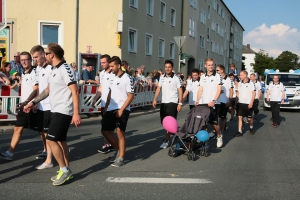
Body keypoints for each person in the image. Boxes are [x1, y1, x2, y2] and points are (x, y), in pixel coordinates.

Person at [24, 43, 81, 186]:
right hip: (56, 110)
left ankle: (64, 169)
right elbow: (47, 90)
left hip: (63, 110)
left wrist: (76, 113)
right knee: (61, 141)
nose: (45, 56)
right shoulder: (54, 70)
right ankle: (66, 168)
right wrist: (32, 102)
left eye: (46, 53)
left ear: (52, 55)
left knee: (50, 140)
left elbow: (74, 91)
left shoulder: (65, 68)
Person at [0, 52, 38, 161]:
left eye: (26, 59)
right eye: (21, 60)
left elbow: (36, 90)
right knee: (17, 128)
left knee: (42, 132)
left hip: (32, 106)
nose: (24, 62)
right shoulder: (24, 73)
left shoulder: (34, 72)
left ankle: (51, 150)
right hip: (24, 106)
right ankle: (9, 153)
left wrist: (31, 103)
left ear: (31, 60)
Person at [101, 56, 134, 167]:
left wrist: (122, 109)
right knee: (105, 130)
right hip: (111, 108)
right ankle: (118, 150)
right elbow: (110, 93)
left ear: (119, 66)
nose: (110, 68)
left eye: (112, 66)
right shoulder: (112, 77)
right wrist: (106, 106)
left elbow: (131, 96)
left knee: (120, 133)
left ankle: (121, 158)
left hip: (122, 108)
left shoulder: (127, 78)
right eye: (109, 66)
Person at [30, 45, 54, 169]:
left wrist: (33, 102)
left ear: (43, 54)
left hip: (50, 106)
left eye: (36, 57)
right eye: (33, 58)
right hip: (41, 106)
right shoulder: (38, 69)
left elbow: (48, 89)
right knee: (43, 132)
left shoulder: (50, 68)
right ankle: (49, 153)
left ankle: (49, 160)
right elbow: (40, 88)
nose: (35, 60)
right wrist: (36, 103)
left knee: (48, 133)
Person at [152, 60, 183, 149]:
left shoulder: (176, 78)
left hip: (172, 102)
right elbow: (159, 88)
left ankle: (167, 140)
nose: (167, 69)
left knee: (169, 122)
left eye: (169, 67)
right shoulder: (162, 77)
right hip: (163, 103)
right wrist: (154, 99)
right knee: (164, 122)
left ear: (172, 68)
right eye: (166, 67)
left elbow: (180, 91)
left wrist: (180, 103)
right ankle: (176, 134)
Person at [195, 58, 223, 148]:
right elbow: (200, 89)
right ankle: (203, 143)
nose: (211, 66)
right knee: (203, 123)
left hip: (214, 103)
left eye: (212, 65)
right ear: (205, 65)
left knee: (214, 123)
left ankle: (219, 136)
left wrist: (214, 100)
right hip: (204, 103)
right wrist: (197, 100)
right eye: (209, 65)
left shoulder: (218, 76)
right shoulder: (202, 77)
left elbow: (219, 90)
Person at [92, 54, 115, 154]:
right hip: (103, 103)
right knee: (106, 126)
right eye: (101, 63)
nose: (102, 64)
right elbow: (101, 87)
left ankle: (109, 144)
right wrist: (95, 98)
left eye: (104, 62)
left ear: (109, 62)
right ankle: (109, 144)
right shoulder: (102, 74)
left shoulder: (113, 73)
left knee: (107, 127)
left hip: (112, 104)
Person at [235, 71, 256, 137]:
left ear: (245, 75)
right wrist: (236, 102)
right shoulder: (240, 83)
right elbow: (238, 92)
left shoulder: (251, 83)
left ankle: (251, 127)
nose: (240, 76)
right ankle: (239, 131)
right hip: (240, 103)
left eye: (241, 75)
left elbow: (253, 93)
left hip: (248, 103)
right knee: (239, 117)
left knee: (249, 118)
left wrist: (251, 102)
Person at [216, 65, 233, 134]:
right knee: (216, 117)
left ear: (222, 70)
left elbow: (231, 91)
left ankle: (222, 132)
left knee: (223, 117)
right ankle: (216, 132)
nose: (216, 71)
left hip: (224, 101)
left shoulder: (229, 79)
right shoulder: (216, 78)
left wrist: (229, 101)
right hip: (217, 101)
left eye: (217, 70)